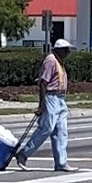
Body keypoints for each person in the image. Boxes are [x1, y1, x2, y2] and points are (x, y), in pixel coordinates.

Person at [14, 38, 77, 172]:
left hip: (60, 99)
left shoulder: (59, 61)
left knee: (61, 132)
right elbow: (43, 83)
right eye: (66, 50)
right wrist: (41, 104)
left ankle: (61, 163)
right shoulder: (51, 60)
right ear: (58, 50)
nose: (68, 52)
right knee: (46, 129)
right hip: (51, 98)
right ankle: (23, 154)